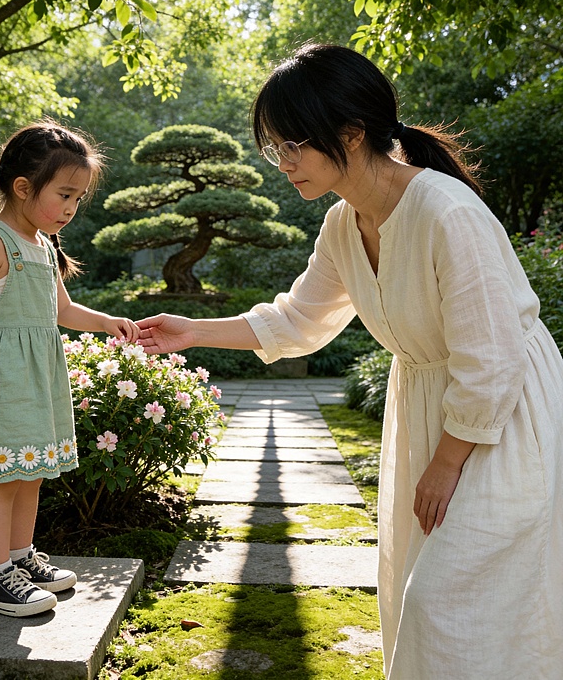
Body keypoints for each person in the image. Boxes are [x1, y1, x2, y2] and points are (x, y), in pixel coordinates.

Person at [136, 43, 563, 679]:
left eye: (294, 145)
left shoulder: (447, 211)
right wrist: (190, 330)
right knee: (423, 598)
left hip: (498, 419)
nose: (283, 163)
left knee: (455, 606)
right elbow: (297, 320)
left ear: (352, 133)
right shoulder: (343, 224)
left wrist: (446, 464)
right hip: (430, 407)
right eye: (274, 147)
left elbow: (492, 359)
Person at [0, 121, 139, 618]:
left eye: (78, 198)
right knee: (1, 481)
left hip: (33, 385)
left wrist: (109, 323)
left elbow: (61, 310)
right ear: (23, 188)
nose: (71, 208)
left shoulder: (41, 245)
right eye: (64, 194)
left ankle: (19, 559)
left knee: (30, 476)